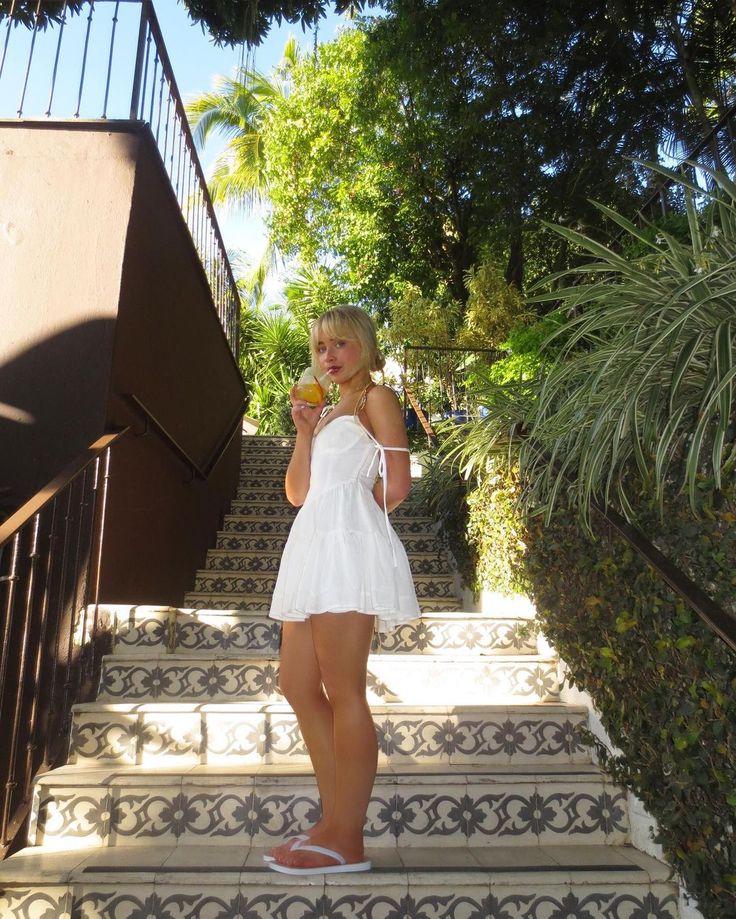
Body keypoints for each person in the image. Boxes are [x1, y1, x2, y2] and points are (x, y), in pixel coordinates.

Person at [265, 305, 420, 876]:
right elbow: (297, 493)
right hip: (310, 547)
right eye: (321, 347)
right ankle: (332, 821)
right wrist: (305, 432)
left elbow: (398, 484)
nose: (329, 356)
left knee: (343, 688)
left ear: (364, 346)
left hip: (344, 549)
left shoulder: (376, 399)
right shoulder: (327, 411)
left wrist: (354, 526)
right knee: (296, 684)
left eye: (340, 345)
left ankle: (346, 837)